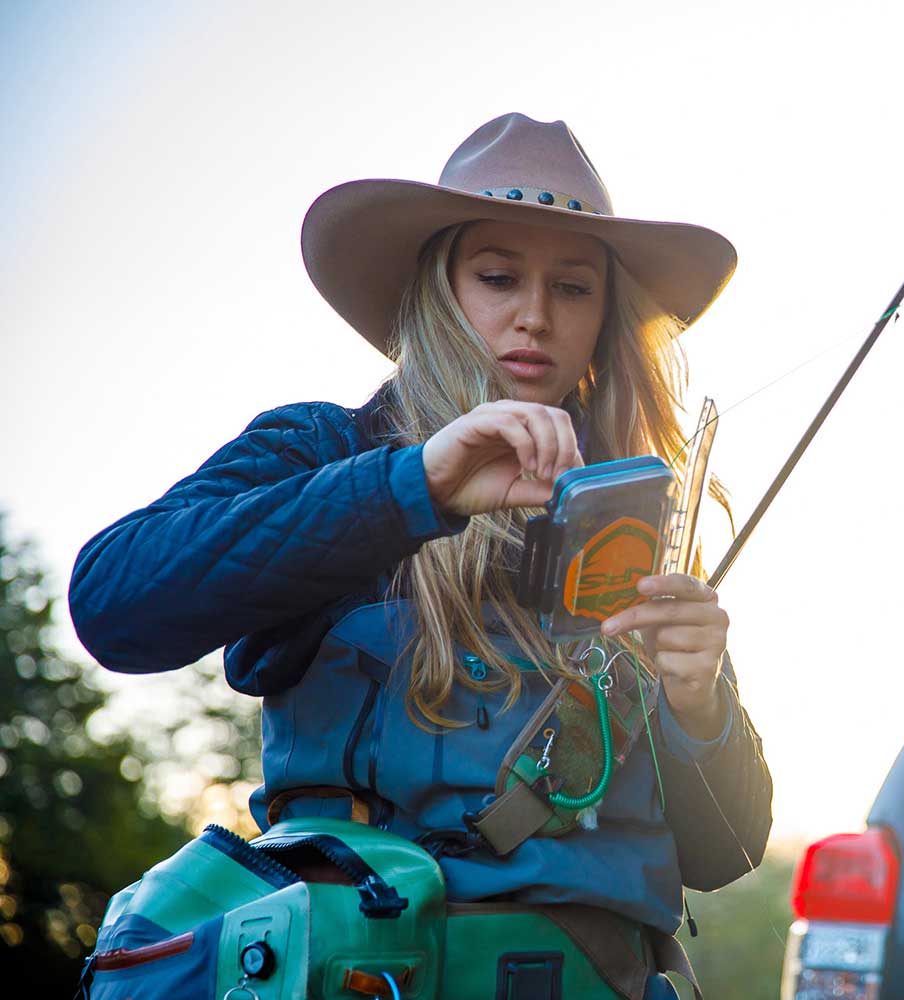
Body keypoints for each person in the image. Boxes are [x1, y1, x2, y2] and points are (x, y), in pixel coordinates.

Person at [68, 113, 772, 999]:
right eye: (498, 276)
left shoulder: (636, 520)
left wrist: (700, 704)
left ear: (606, 316)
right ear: (437, 290)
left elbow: (727, 853)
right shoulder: (320, 449)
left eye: (574, 287)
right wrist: (417, 488)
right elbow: (113, 602)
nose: (535, 314)